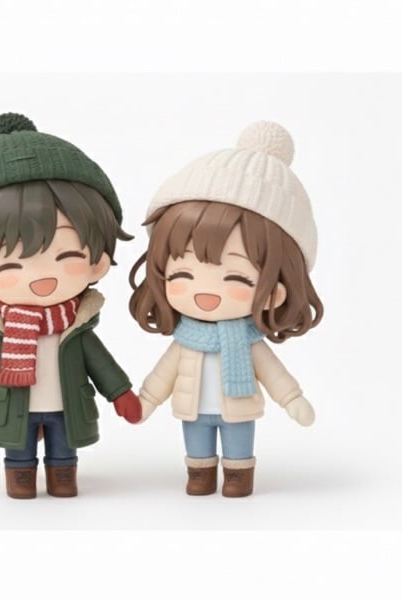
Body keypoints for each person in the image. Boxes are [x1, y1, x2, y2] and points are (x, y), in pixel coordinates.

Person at [0, 113, 141, 499]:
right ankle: (20, 476)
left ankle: (63, 475)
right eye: (12, 266)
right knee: (19, 447)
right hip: (14, 408)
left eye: (66, 255)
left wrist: (119, 392)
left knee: (64, 449)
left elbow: (100, 363)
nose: (43, 277)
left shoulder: (75, 325)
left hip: (67, 407)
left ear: (97, 261)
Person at [129, 121, 323, 497]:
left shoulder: (250, 341)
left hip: (239, 410)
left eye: (235, 277)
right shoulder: (187, 338)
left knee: (238, 445)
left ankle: (238, 475)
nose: (205, 292)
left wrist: (292, 399)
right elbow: (162, 376)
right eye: (183, 273)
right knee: (197, 447)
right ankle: (199, 474)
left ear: (276, 289)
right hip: (193, 411)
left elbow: (273, 373)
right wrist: (146, 400)